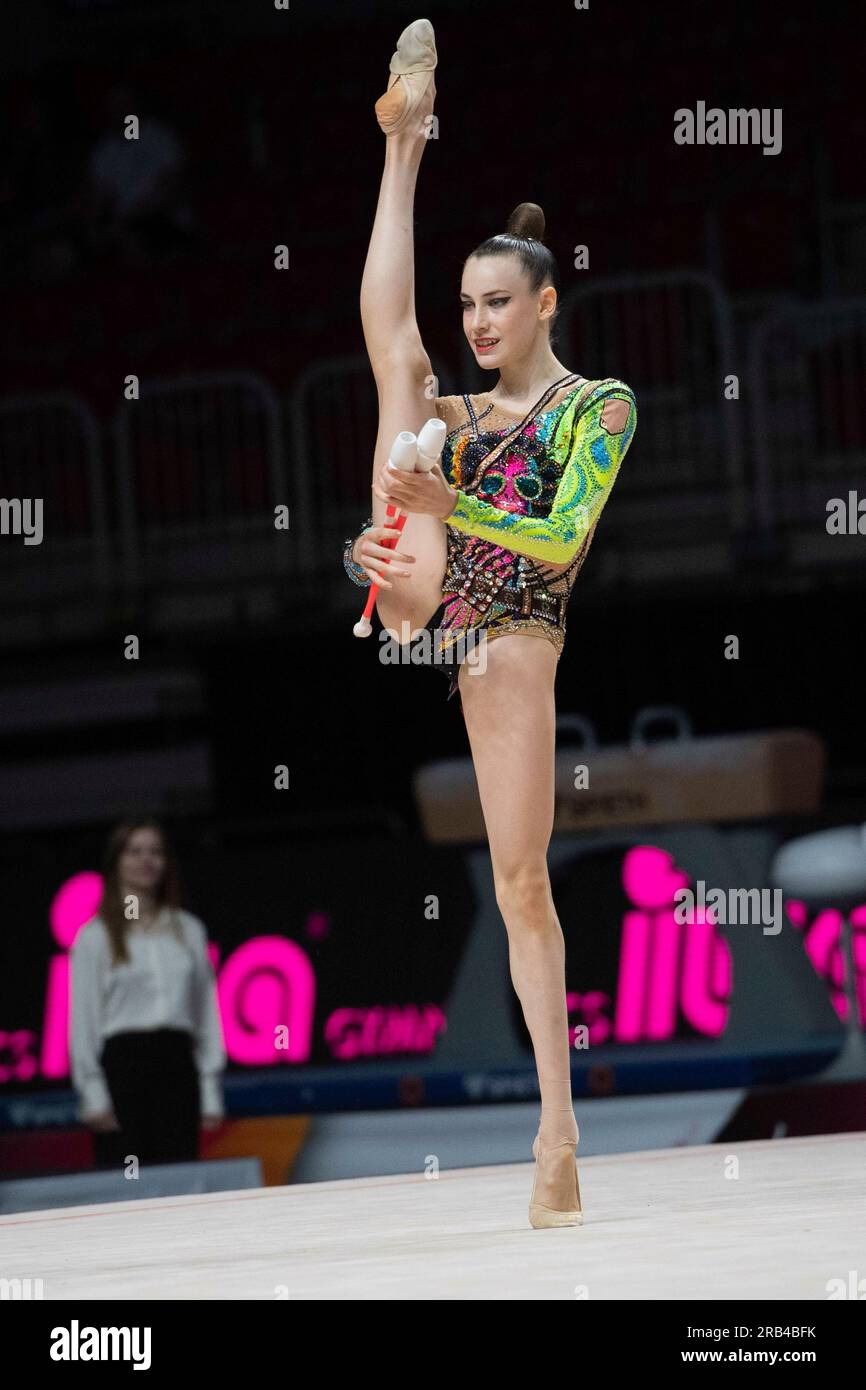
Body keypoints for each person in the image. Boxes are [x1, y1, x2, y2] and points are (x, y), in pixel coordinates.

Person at [342, 19, 637, 1227]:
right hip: (434, 589)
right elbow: (402, 343)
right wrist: (399, 528)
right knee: (393, 373)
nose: (474, 320)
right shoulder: (456, 408)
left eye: (495, 303)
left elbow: (562, 540)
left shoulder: (596, 408)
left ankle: (555, 1129)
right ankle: (405, 141)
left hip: (509, 626)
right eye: (466, 302)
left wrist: (440, 501)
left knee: (521, 885)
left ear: (544, 302)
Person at [69, 818, 225, 1168]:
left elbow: (206, 1015)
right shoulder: (94, 937)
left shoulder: (188, 930)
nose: (146, 860)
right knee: (125, 1189)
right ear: (116, 862)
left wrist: (210, 1091)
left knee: (180, 1184)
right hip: (124, 1070)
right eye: (135, 851)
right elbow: (84, 1019)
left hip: (177, 1067)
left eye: (155, 852)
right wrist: (93, 1093)